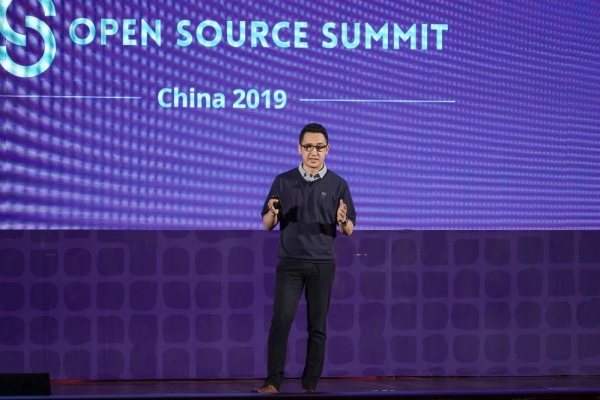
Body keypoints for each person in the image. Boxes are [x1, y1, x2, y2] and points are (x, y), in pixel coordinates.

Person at [252, 123, 356, 394]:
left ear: (327, 149)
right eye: (308, 146)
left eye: (319, 147)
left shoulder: (338, 184)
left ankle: (309, 387)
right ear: (299, 148)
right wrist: (273, 213)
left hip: (323, 264)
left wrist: (341, 219)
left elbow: (348, 230)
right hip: (290, 263)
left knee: (317, 327)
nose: (313, 152)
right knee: (281, 321)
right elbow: (267, 224)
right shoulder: (283, 181)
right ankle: (272, 382)